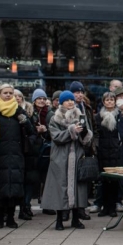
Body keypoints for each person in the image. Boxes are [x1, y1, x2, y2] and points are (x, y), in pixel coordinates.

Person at [42, 91, 94, 230]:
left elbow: (87, 138)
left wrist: (84, 133)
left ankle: (76, 219)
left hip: (77, 156)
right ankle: (59, 220)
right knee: (60, 189)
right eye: (67, 100)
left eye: (72, 100)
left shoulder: (80, 115)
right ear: (61, 102)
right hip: (60, 158)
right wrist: (71, 130)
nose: (71, 102)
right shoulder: (55, 118)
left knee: (78, 189)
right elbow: (56, 137)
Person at [0, 84, 34, 228]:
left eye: (11, 93)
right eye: (5, 93)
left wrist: (25, 122)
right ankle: (0, 218)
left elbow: (31, 132)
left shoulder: (19, 112)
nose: (8, 95)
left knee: (14, 188)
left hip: (16, 155)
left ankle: (11, 218)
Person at [20, 89, 49, 220]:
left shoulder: (50, 112)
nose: (41, 101)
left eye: (43, 98)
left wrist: (46, 130)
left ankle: (46, 204)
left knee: (44, 179)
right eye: (39, 98)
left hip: (44, 150)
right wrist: (37, 131)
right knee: (30, 180)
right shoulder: (29, 112)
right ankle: (25, 206)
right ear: (34, 100)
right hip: (31, 150)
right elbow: (28, 131)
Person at [69, 81, 94, 220]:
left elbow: (92, 126)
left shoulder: (87, 107)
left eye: (81, 92)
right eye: (76, 92)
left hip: (87, 146)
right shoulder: (70, 107)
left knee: (85, 179)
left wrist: (92, 143)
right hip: (74, 146)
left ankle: (82, 208)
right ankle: (73, 209)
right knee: (74, 180)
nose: (79, 95)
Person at [94, 92, 122, 217]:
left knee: (114, 180)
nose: (110, 102)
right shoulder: (98, 116)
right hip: (102, 151)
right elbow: (95, 133)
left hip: (116, 150)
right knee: (104, 179)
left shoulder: (120, 115)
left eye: (112, 99)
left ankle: (112, 207)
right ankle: (104, 207)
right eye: (107, 100)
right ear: (103, 101)